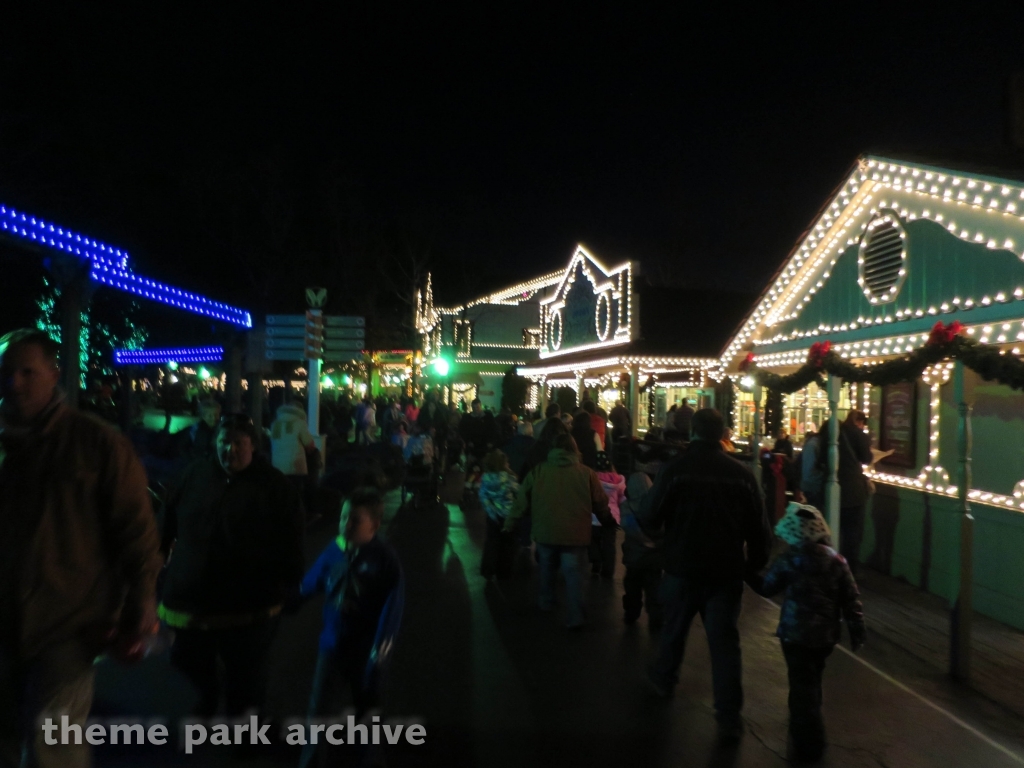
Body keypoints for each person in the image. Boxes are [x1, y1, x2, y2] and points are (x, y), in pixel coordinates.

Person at [0, 329, 163, 768]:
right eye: (7, 372)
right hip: (7, 623)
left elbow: (136, 531)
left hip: (67, 625)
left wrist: (142, 603)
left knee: (52, 747)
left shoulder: (97, 445)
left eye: (27, 372)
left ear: (54, 375)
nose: (14, 383)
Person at [159, 413, 304, 718]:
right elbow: (166, 523)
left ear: (253, 446)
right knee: (192, 676)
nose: (231, 451)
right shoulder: (193, 476)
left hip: (249, 607)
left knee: (246, 682)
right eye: (225, 443)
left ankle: (245, 739)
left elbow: (290, 540)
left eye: (239, 444)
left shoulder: (273, 487)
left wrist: (291, 585)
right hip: (190, 606)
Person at [640, 408, 772, 743]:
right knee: (724, 642)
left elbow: (651, 513)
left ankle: (664, 681)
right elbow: (759, 528)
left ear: (693, 432)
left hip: (683, 565)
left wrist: (656, 536)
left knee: (674, 629)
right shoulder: (742, 475)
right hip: (725, 570)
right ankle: (728, 710)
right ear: (722, 433)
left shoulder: (677, 469)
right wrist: (755, 563)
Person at [748, 502, 865, 763]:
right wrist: (857, 630)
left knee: (801, 686)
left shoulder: (790, 559)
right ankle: (807, 726)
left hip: (795, 634)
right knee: (813, 680)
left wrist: (746, 572)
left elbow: (767, 588)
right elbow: (851, 598)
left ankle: (809, 741)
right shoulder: (837, 560)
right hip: (825, 636)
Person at [298, 487, 403, 768]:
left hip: (366, 650)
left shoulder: (384, 559)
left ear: (375, 525)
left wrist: (379, 654)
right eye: (344, 517)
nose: (346, 524)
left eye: (355, 520)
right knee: (318, 710)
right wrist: (283, 601)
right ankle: (310, 763)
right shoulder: (336, 549)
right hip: (332, 644)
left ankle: (368, 760)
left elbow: (391, 611)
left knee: (367, 712)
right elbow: (311, 582)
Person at [504, 433, 616, 629]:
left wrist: (509, 524)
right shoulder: (586, 474)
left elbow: (521, 502)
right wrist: (608, 520)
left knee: (546, 568)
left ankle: (546, 603)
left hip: (545, 531)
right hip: (575, 534)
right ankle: (576, 616)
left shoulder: (538, 471)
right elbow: (600, 503)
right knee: (573, 575)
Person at [816, 411, 872, 572]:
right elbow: (866, 458)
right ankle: (848, 572)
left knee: (829, 532)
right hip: (853, 493)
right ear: (859, 421)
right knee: (852, 535)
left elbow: (820, 461)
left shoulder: (830, 433)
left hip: (829, 489)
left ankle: (826, 567)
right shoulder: (858, 434)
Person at [620, 472, 663, 629]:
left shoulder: (627, 506)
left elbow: (627, 526)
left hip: (634, 558)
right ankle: (656, 619)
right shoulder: (657, 506)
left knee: (632, 588)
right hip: (654, 559)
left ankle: (631, 614)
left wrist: (643, 542)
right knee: (655, 590)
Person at [270, 400, 319, 515]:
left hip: (277, 466)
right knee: (296, 492)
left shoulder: (275, 424)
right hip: (295, 466)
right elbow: (309, 445)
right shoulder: (300, 423)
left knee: (281, 492)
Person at [479, 450, 520, 579]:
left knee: (492, 542)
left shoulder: (485, 479)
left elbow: (482, 496)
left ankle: (488, 569)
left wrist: (491, 511)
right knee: (508, 544)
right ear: (503, 464)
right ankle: (504, 571)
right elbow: (519, 492)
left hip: (493, 517)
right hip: (508, 516)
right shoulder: (509, 478)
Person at [592, 452, 625, 579]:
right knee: (609, 545)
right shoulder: (618, 480)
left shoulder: (592, 478)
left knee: (593, 541)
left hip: (594, 516)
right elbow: (622, 498)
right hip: (611, 517)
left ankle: (596, 564)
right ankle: (608, 571)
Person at [799, 427, 825, 510]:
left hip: (810, 486)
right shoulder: (814, 444)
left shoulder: (812, 444)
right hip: (813, 487)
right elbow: (809, 472)